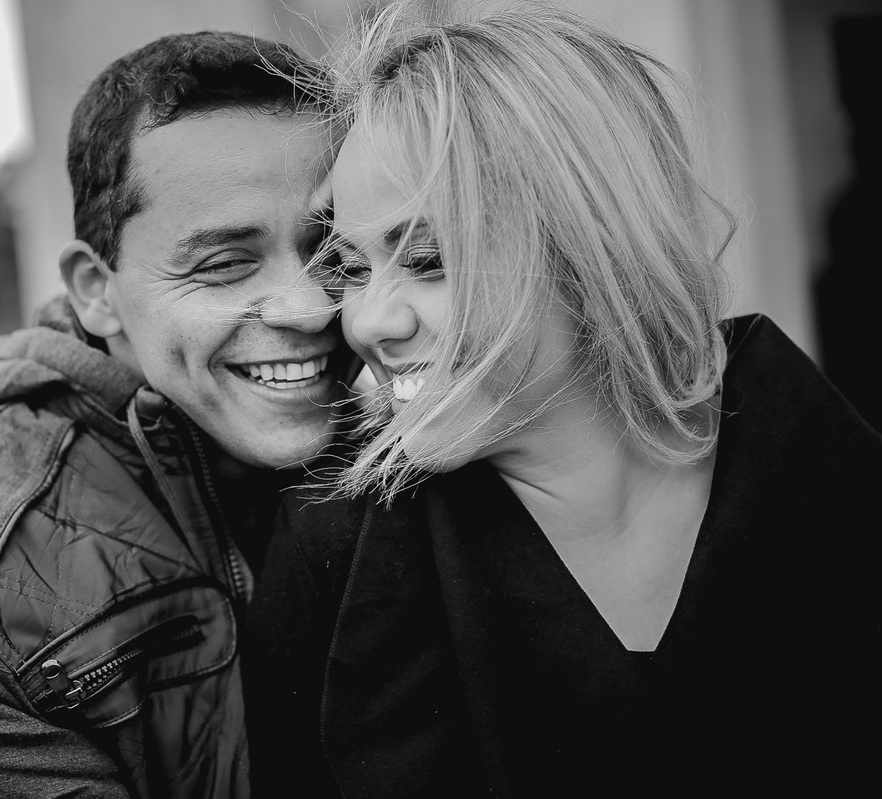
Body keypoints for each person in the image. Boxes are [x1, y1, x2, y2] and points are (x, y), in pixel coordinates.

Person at [244, 3, 882, 797]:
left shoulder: (831, 482)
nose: (369, 322)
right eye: (354, 267)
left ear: (590, 245)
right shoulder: (331, 559)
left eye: (431, 258)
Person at [0, 30, 353, 799]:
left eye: (332, 249)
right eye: (224, 263)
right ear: (96, 290)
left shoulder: (429, 439)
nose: (310, 308)